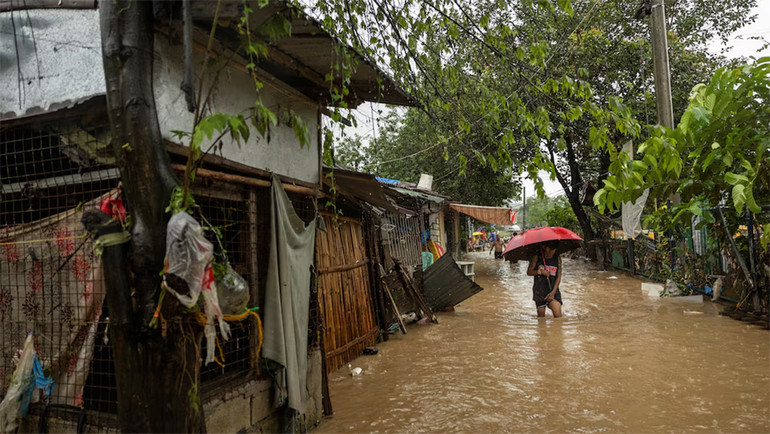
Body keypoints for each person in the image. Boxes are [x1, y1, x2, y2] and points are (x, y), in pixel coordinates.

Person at [526, 241, 563, 318]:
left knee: (558, 316)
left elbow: (559, 276)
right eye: (550, 250)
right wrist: (540, 272)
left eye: (554, 250)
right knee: (541, 318)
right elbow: (529, 272)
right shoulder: (537, 257)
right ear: (545, 248)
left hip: (553, 289)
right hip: (539, 290)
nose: (551, 253)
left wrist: (552, 293)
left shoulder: (557, 258)